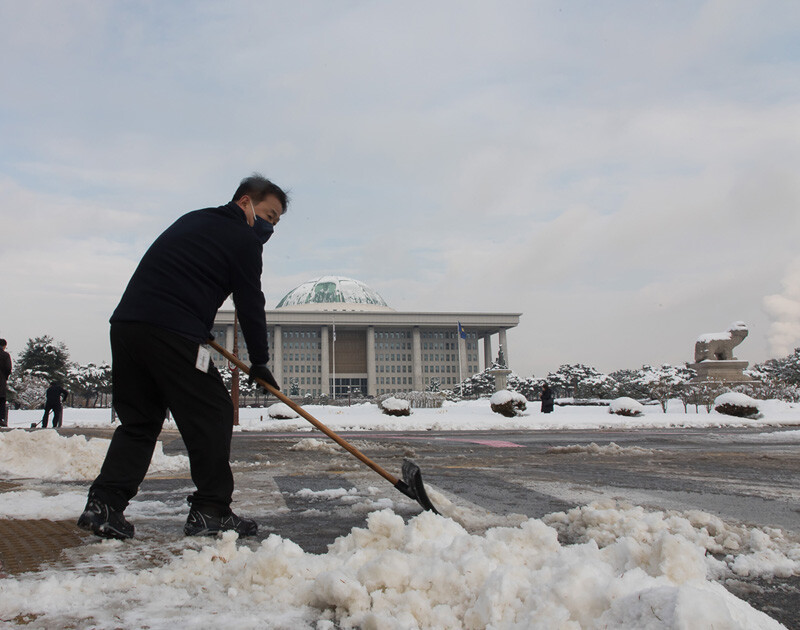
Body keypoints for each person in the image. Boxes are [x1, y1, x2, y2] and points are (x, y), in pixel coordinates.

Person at [78, 174, 288, 541]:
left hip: (129, 325)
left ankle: (105, 504)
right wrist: (260, 360)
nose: (271, 227)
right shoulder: (242, 238)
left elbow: (181, 275)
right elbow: (251, 302)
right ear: (245, 203)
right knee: (215, 411)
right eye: (269, 215)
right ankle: (211, 510)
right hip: (172, 330)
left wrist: (198, 324)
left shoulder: (195, 219)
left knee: (140, 422)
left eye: (277, 222)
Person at [0, 339, 11, 427]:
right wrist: (4, 377)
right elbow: (8, 368)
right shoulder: (5, 355)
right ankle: (0, 419)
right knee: (1, 400)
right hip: (1, 381)